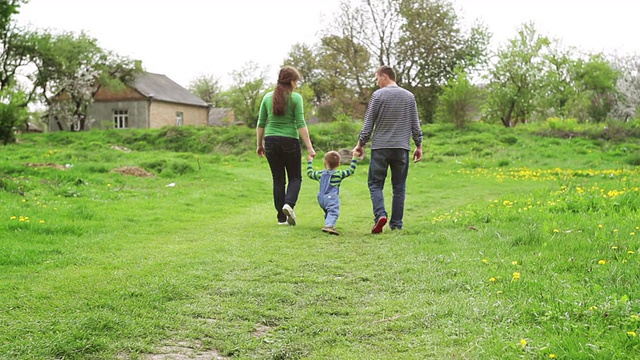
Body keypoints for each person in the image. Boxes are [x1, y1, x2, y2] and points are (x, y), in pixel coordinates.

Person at [353, 65, 423, 234]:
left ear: (385, 76)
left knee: (375, 184)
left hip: (380, 148)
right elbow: (415, 123)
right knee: (399, 186)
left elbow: (368, 123)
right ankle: (397, 224)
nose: (377, 83)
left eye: (377, 78)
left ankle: (380, 215)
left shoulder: (378, 96)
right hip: (402, 148)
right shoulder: (409, 96)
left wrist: (360, 144)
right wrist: (419, 145)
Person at [256, 66, 316, 226]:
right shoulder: (296, 98)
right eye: (296, 81)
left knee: (278, 179)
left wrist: (259, 144)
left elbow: (261, 123)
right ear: (291, 81)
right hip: (290, 140)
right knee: (295, 177)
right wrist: (309, 147)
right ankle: (289, 204)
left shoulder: (267, 98)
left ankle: (281, 218)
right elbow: (301, 124)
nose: (297, 84)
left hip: (270, 141)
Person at [306, 150, 360, 235]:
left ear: (324, 162)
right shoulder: (339, 174)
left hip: (321, 198)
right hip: (331, 198)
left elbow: (310, 173)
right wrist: (355, 158)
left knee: (328, 211)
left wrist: (310, 162)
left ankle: (329, 222)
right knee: (333, 211)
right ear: (339, 164)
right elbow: (351, 170)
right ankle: (329, 226)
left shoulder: (320, 174)